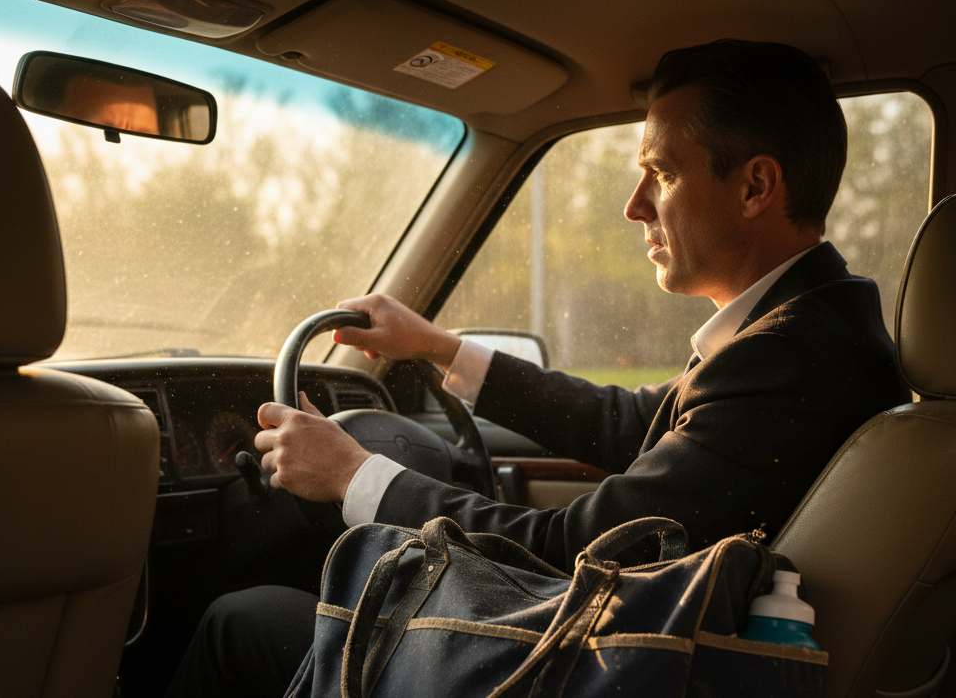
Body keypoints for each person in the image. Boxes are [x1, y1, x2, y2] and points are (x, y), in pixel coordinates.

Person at [166, 39, 911, 698]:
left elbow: (579, 549)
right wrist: (439, 347)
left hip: (609, 661)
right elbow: (629, 424)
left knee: (239, 621)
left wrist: (354, 473)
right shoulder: (806, 326)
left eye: (661, 172)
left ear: (755, 186)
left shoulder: (795, 355)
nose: (633, 205)